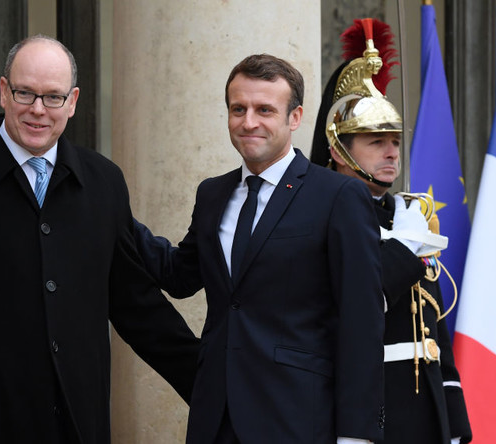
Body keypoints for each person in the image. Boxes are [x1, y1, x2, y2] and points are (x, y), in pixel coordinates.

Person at [0, 35, 199, 444]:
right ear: (4, 92)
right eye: (26, 93)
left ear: (73, 100)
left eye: (53, 97)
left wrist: (212, 386)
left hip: (75, 423)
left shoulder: (102, 181)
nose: (38, 110)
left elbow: (136, 303)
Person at [133, 54, 385, 444]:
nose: (248, 122)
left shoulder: (338, 195)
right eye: (238, 109)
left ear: (295, 118)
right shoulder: (212, 193)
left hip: (298, 419)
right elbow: (179, 276)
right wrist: (114, 213)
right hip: (216, 419)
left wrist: (357, 434)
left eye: (264, 110)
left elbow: (362, 322)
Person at [309, 19, 472, 444]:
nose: (392, 151)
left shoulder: (407, 214)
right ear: (338, 149)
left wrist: (454, 426)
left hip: (427, 417)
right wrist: (403, 248)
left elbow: (433, 332)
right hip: (370, 415)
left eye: (395, 140)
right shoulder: (321, 218)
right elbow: (353, 308)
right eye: (375, 140)